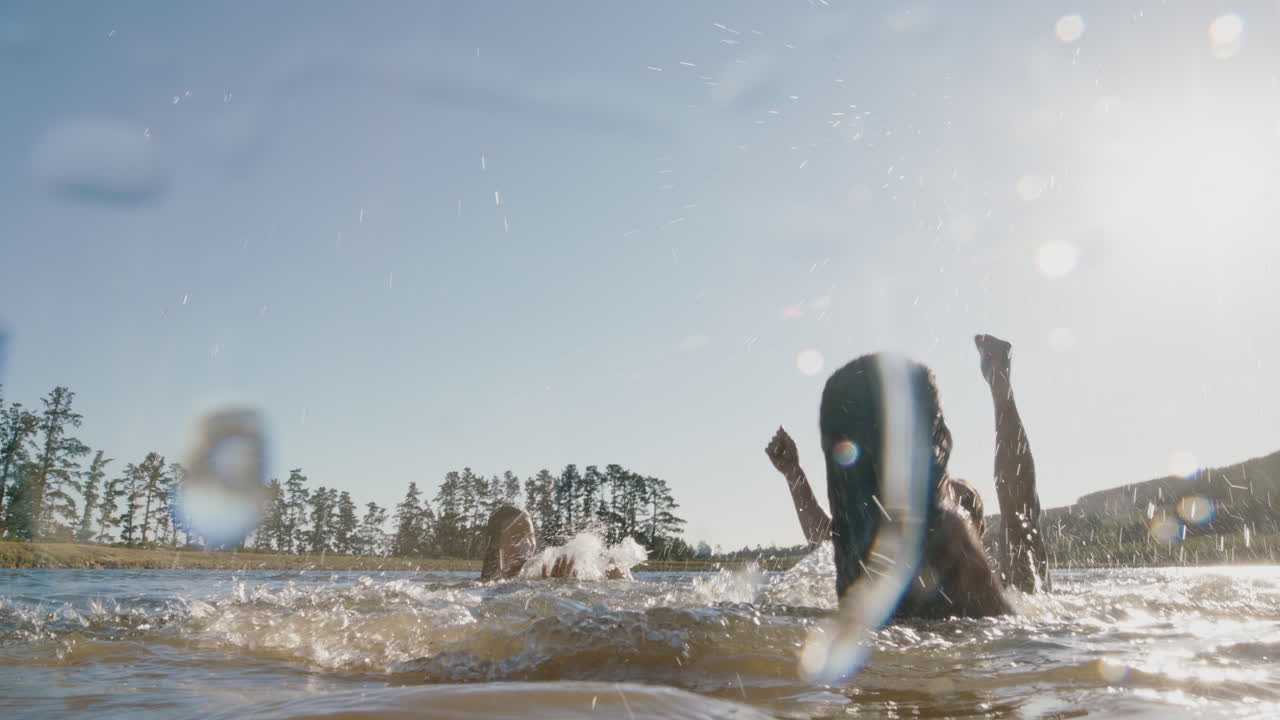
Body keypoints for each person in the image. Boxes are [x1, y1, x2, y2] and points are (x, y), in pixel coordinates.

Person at [765, 342, 1047, 618]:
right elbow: (825, 539)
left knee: (1022, 532)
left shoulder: (1011, 583)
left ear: (980, 528)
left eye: (962, 502)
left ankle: (1000, 388)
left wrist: (1000, 388)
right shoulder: (889, 552)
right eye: (945, 497)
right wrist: (794, 473)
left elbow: (1018, 501)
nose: (949, 505)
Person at [478, 504, 628, 582]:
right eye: (517, 537)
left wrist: (619, 579)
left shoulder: (539, 577)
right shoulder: (482, 587)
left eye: (530, 536)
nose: (528, 545)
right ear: (495, 543)